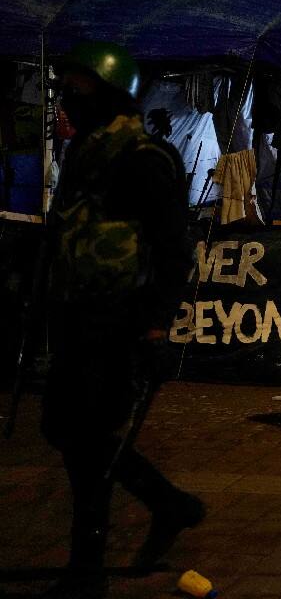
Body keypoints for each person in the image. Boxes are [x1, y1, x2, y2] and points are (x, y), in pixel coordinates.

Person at [40, 41, 203, 597]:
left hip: (119, 323)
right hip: (77, 317)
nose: (69, 101)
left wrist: (156, 327)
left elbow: (174, 251)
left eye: (80, 92)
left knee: (90, 441)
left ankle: (86, 569)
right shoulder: (86, 154)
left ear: (110, 97)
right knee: (68, 431)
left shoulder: (143, 160)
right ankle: (170, 503)